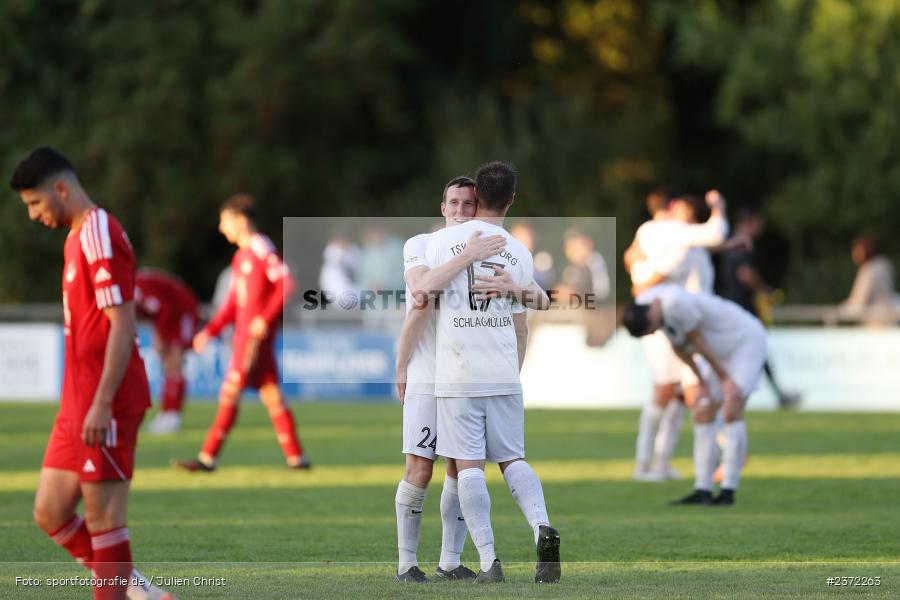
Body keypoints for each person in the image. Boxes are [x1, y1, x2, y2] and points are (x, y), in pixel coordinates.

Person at [11, 146, 173, 600]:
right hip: (77, 402)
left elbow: (122, 325)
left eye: (35, 203)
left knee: (105, 520)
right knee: (50, 512)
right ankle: (140, 591)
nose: (33, 215)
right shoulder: (75, 238)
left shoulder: (100, 231)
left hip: (109, 400)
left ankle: (125, 592)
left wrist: (102, 402)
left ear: (61, 188)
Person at [423, 161, 560, 584]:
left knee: (467, 466)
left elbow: (422, 294)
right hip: (503, 372)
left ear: (475, 198)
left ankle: (488, 561)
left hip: (459, 371)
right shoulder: (519, 252)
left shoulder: (442, 242)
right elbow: (533, 311)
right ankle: (542, 527)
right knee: (513, 459)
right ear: (513, 199)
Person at [392, 175, 507, 583]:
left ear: (479, 209)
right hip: (426, 374)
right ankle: (406, 565)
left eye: (468, 204)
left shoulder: (491, 252)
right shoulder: (420, 245)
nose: (460, 211)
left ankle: (449, 562)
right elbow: (422, 290)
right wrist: (402, 364)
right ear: (442, 208)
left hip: (465, 377)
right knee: (420, 467)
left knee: (462, 468)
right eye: (453, 203)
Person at [175, 194, 309, 472]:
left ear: (242, 221)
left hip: (253, 340)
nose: (222, 228)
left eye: (224, 221)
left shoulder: (261, 247)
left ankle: (207, 458)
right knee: (271, 395)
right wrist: (209, 331)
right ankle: (296, 458)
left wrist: (264, 318)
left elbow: (287, 282)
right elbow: (234, 303)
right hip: (246, 337)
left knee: (230, 392)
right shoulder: (241, 257)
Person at [622, 284, 767, 506]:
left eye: (650, 329)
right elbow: (681, 350)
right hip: (719, 351)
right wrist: (701, 382)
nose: (652, 333)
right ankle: (703, 489)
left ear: (650, 314)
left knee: (732, 408)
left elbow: (699, 342)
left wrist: (725, 379)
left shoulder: (675, 304)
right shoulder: (659, 313)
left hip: (744, 340)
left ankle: (728, 490)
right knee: (702, 411)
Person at [623, 188, 729, 482]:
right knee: (668, 389)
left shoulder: (648, 230)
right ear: (672, 207)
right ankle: (645, 464)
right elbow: (715, 233)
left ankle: (659, 462)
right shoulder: (674, 230)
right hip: (662, 315)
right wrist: (718, 207)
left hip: (667, 313)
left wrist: (642, 277)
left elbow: (629, 255)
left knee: (677, 395)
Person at [716, 208, 801, 407]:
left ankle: (774, 393)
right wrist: (765, 290)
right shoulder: (741, 244)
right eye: (758, 223)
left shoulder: (731, 242)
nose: (760, 228)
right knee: (755, 346)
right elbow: (745, 274)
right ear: (749, 222)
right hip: (741, 306)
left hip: (735, 304)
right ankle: (729, 391)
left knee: (747, 348)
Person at [135, 268, 201, 433]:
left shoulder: (137, 290)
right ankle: (168, 412)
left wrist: (160, 337)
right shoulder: (135, 288)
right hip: (174, 314)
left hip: (183, 312)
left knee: (174, 363)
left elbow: (164, 310)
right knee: (169, 366)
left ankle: (172, 416)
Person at [839, 235, 900, 327]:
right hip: (889, 319)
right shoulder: (884, 267)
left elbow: (859, 302)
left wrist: (840, 312)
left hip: (875, 323)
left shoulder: (869, 271)